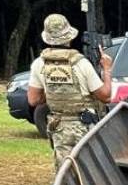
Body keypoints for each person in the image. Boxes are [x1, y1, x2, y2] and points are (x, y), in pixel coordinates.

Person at [27, 14, 113, 171]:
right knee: (89, 170)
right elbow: (105, 96)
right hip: (85, 125)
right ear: (69, 37)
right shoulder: (81, 63)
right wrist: (107, 69)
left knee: (64, 172)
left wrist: (55, 92)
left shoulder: (39, 64)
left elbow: (33, 100)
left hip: (58, 126)